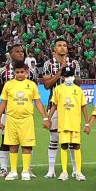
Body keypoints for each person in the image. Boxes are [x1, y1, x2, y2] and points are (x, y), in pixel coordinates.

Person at [39, 38, 80, 177]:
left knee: (72, 139)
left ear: (67, 49)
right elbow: (46, 85)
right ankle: (51, 170)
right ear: (54, 49)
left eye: (64, 45)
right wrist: (60, 72)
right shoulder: (48, 64)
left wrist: (70, 75)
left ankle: (75, 170)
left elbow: (79, 83)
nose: (62, 48)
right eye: (59, 45)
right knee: (54, 137)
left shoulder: (74, 63)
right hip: (54, 106)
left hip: (71, 106)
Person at [0, 55, 42, 182]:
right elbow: (3, 103)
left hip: (27, 119)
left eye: (22, 72)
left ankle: (26, 170)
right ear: (14, 72)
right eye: (17, 72)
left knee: (27, 145)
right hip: (11, 118)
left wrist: (45, 118)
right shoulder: (8, 85)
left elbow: (38, 102)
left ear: (26, 72)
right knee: (13, 144)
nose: (20, 74)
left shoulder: (32, 85)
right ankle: (13, 171)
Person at [49, 59, 87, 181]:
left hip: (75, 123)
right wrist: (48, 118)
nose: (69, 78)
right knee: (64, 146)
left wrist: (87, 123)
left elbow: (83, 106)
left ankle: (78, 172)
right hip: (63, 122)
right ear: (63, 77)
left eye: (70, 75)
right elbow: (54, 105)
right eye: (66, 76)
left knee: (76, 146)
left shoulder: (79, 90)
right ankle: (64, 171)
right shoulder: (58, 89)